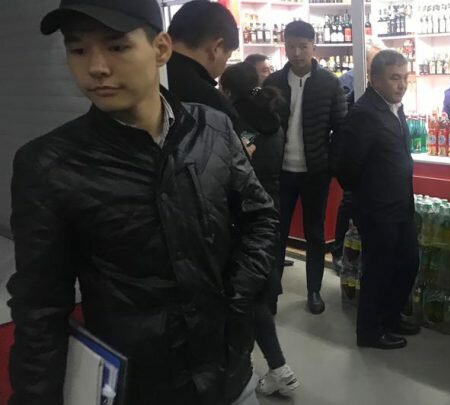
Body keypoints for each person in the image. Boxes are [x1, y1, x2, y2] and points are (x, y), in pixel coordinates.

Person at [7, 1, 278, 404]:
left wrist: (236, 297)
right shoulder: (50, 165)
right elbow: (40, 307)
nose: (96, 67)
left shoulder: (212, 129)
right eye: (78, 49)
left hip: (231, 376)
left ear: (161, 48)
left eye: (117, 46)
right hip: (140, 387)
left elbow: (261, 218)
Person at [219, 62, 300, 397]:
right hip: (270, 206)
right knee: (260, 290)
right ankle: (276, 368)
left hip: (245, 211)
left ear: (228, 91)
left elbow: (242, 157)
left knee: (247, 295)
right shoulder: (271, 114)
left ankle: (268, 369)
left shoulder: (240, 122)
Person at [336, 50, 421, 350]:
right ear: (375, 79)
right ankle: (369, 331)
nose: (402, 84)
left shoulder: (393, 107)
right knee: (379, 269)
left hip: (400, 204)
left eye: (405, 77)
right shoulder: (364, 113)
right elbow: (346, 166)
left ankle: (390, 316)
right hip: (377, 207)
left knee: (407, 262)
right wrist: (367, 195)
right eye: (395, 78)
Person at [263, 20, 347, 314]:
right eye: (291, 46)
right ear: (284, 46)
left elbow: (341, 127)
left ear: (314, 46)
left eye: (303, 46)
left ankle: (314, 290)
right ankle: (271, 292)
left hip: (315, 172)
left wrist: (330, 165)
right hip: (280, 172)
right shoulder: (273, 81)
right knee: (275, 233)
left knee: (315, 234)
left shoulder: (329, 83)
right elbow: (260, 124)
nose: (296, 53)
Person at [332, 36, 386, 272]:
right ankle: (338, 252)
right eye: (375, 59)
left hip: (375, 152)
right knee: (348, 202)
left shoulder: (382, 81)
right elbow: (342, 117)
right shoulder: (347, 81)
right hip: (353, 150)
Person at [166, 0, 246, 133]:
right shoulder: (212, 103)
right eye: (227, 57)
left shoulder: (146, 77)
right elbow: (240, 142)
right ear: (217, 48)